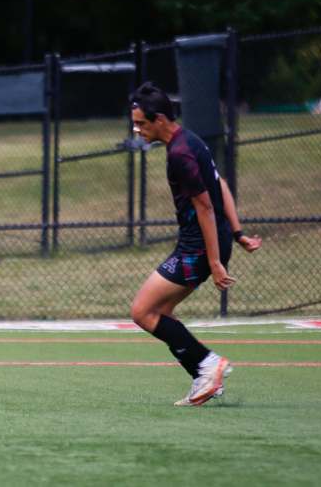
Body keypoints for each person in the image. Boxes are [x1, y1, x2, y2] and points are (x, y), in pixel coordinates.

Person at [129, 82, 261, 406]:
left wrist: (215, 262)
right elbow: (223, 185)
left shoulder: (179, 154)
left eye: (142, 123)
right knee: (161, 312)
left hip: (197, 249)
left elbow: (204, 205)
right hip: (208, 243)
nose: (137, 130)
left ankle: (207, 365)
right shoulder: (192, 141)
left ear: (160, 119)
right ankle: (205, 373)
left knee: (142, 312)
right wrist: (237, 231)